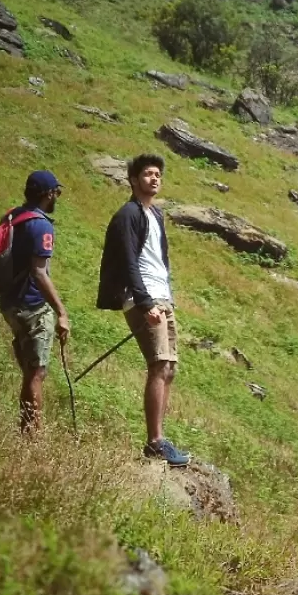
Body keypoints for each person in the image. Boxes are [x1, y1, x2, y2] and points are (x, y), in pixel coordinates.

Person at [96, 152, 190, 466]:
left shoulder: (156, 215)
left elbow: (159, 260)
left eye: (158, 175)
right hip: (144, 298)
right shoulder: (128, 214)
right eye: (148, 174)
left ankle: (160, 439)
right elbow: (127, 261)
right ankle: (155, 441)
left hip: (162, 297)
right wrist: (146, 302)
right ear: (134, 180)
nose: (154, 179)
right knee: (159, 365)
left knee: (169, 368)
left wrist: (165, 297)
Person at [0, 169, 71, 433]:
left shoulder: (13, 216)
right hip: (31, 306)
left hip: (9, 302)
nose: (57, 198)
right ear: (49, 194)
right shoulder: (41, 225)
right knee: (36, 373)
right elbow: (39, 272)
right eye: (57, 193)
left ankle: (26, 428)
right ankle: (31, 436)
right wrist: (61, 312)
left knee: (29, 370)